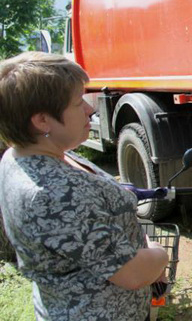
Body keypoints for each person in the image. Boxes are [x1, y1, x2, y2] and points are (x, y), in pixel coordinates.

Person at [0, 52, 169, 320]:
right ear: (42, 120)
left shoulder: (21, 154)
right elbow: (133, 273)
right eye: (78, 103)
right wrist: (159, 254)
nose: (90, 109)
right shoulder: (54, 193)